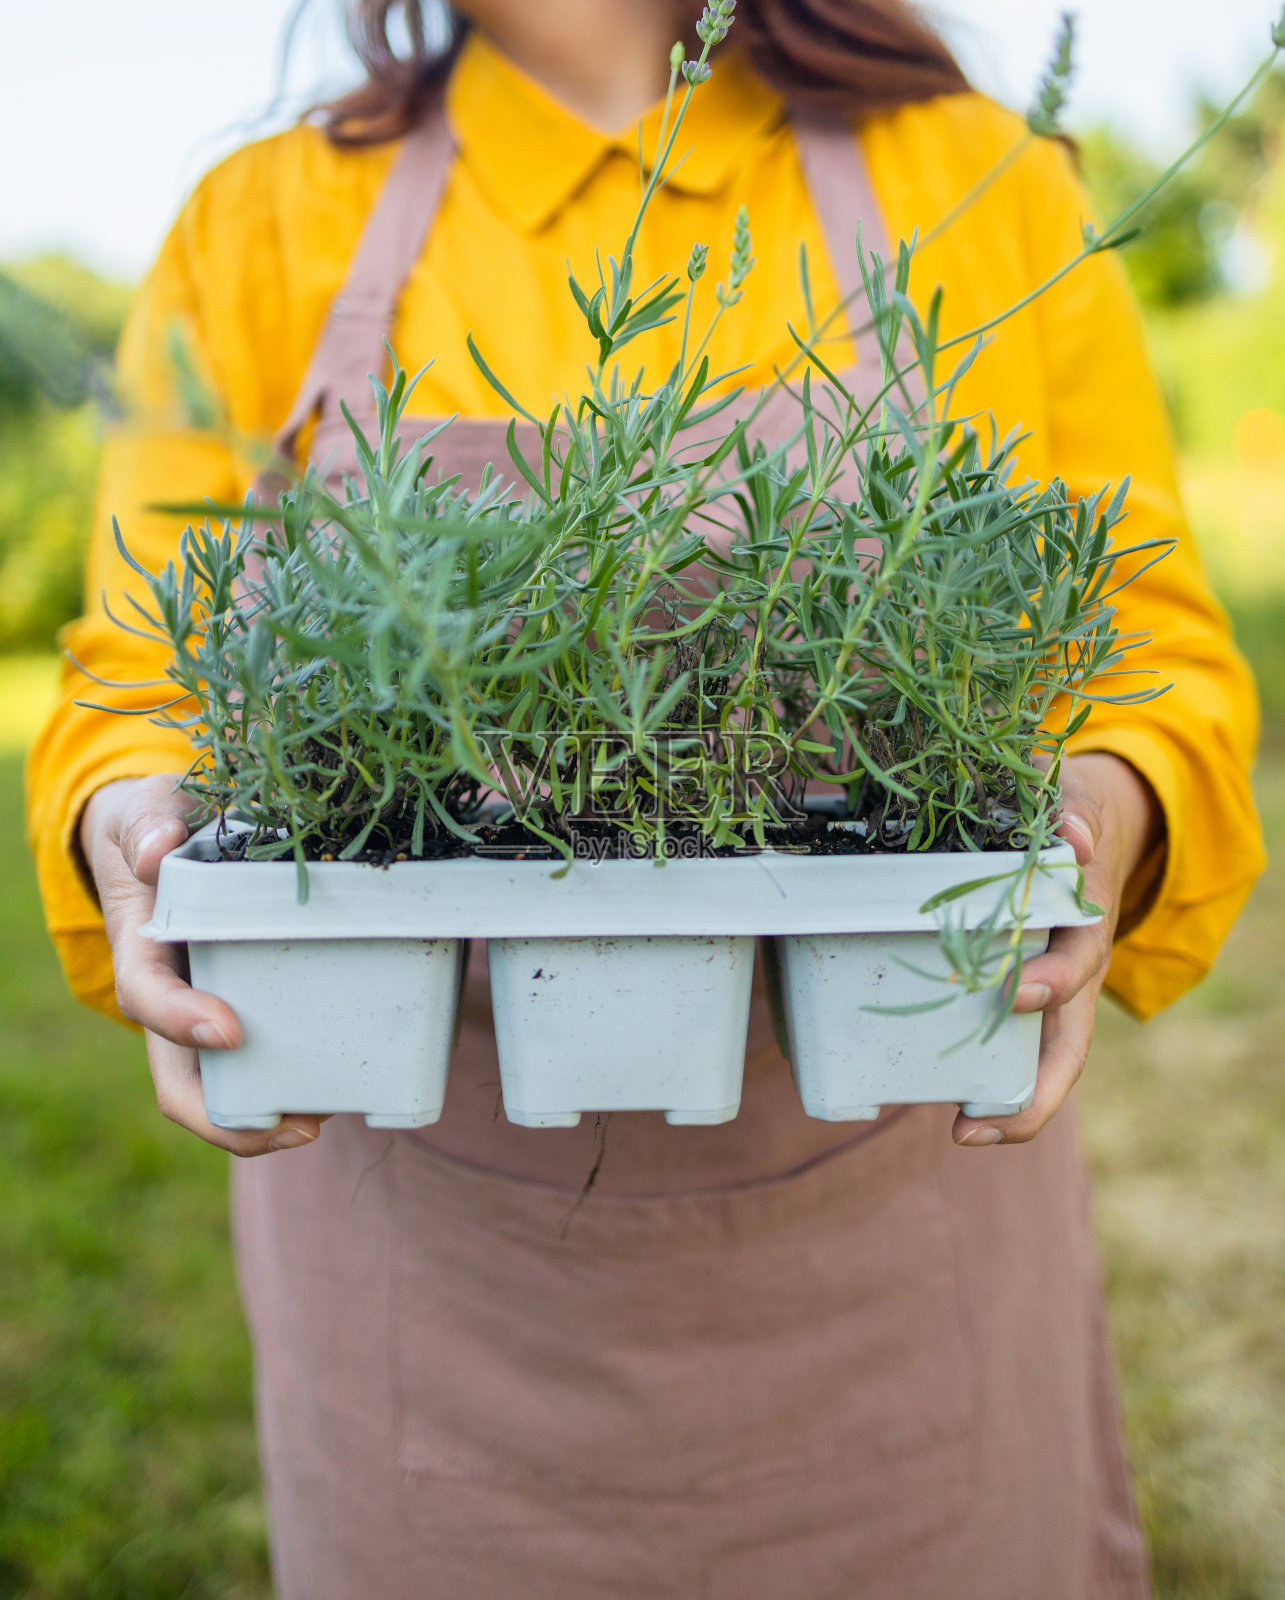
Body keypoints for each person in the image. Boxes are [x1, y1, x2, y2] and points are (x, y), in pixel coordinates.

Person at [25, 2, 1265, 1596]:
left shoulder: (973, 175)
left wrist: (1100, 803)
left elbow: (1139, 635)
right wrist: (135, 815)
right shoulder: (269, 217)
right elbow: (148, 663)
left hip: (902, 1205)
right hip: (432, 1253)